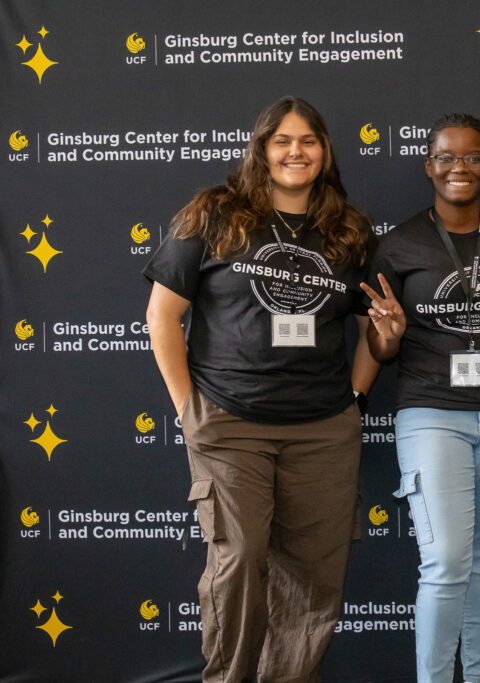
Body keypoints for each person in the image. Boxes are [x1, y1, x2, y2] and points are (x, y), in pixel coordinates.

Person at [144, 96, 377, 683]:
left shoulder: (347, 230)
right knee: (240, 561)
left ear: (324, 152)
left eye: (308, 141)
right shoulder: (213, 214)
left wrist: (354, 398)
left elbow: (375, 329)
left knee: (315, 576)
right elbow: (161, 315)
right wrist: (187, 410)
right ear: (262, 149)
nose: (295, 152)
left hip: (323, 431)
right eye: (283, 141)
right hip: (230, 423)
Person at [360, 113, 480, 683]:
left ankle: (476, 677)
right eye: (447, 157)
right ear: (429, 166)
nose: (459, 168)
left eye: (472, 157)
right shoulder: (399, 245)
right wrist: (387, 335)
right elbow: (378, 343)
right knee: (446, 562)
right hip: (430, 412)